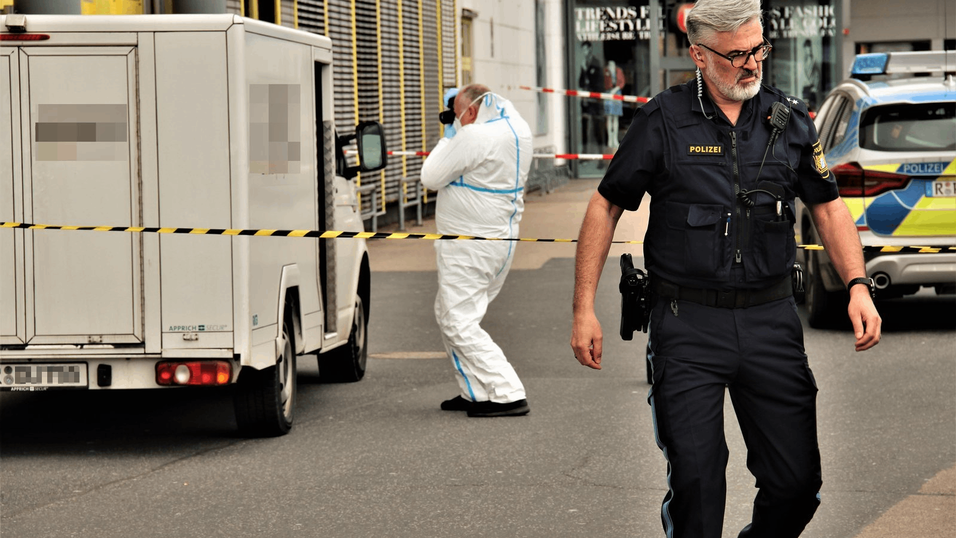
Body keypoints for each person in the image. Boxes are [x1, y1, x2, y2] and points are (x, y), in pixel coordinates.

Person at [570, 1, 882, 537]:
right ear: (698, 55)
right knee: (697, 486)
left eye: (759, 49)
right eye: (736, 54)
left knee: (796, 485)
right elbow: (605, 205)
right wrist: (583, 309)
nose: (752, 63)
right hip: (686, 324)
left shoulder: (789, 119)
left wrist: (857, 284)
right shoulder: (662, 120)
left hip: (771, 322)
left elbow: (828, 206)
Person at [420, 84, 533, 418]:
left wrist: (451, 134)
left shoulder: (474, 137)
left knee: (458, 320)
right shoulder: (517, 129)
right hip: (499, 240)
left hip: (469, 244)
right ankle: (475, 390)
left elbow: (431, 175)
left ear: (470, 112)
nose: (455, 121)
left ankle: (508, 391)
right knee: (450, 313)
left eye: (457, 115)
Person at [579, 41, 605, 153]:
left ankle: (601, 156)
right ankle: (584, 154)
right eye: (582, 50)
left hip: (594, 101)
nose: (584, 52)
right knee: (584, 128)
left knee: (597, 128)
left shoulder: (596, 63)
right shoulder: (583, 64)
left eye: (585, 49)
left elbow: (599, 83)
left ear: (589, 49)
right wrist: (584, 70)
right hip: (585, 102)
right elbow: (580, 83)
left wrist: (587, 72)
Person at [604, 60, 625, 149]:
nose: (611, 66)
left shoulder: (618, 71)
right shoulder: (605, 71)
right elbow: (604, 83)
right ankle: (609, 139)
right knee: (609, 117)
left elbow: (622, 82)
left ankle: (615, 139)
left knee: (615, 117)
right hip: (608, 93)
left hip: (617, 93)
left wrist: (615, 89)